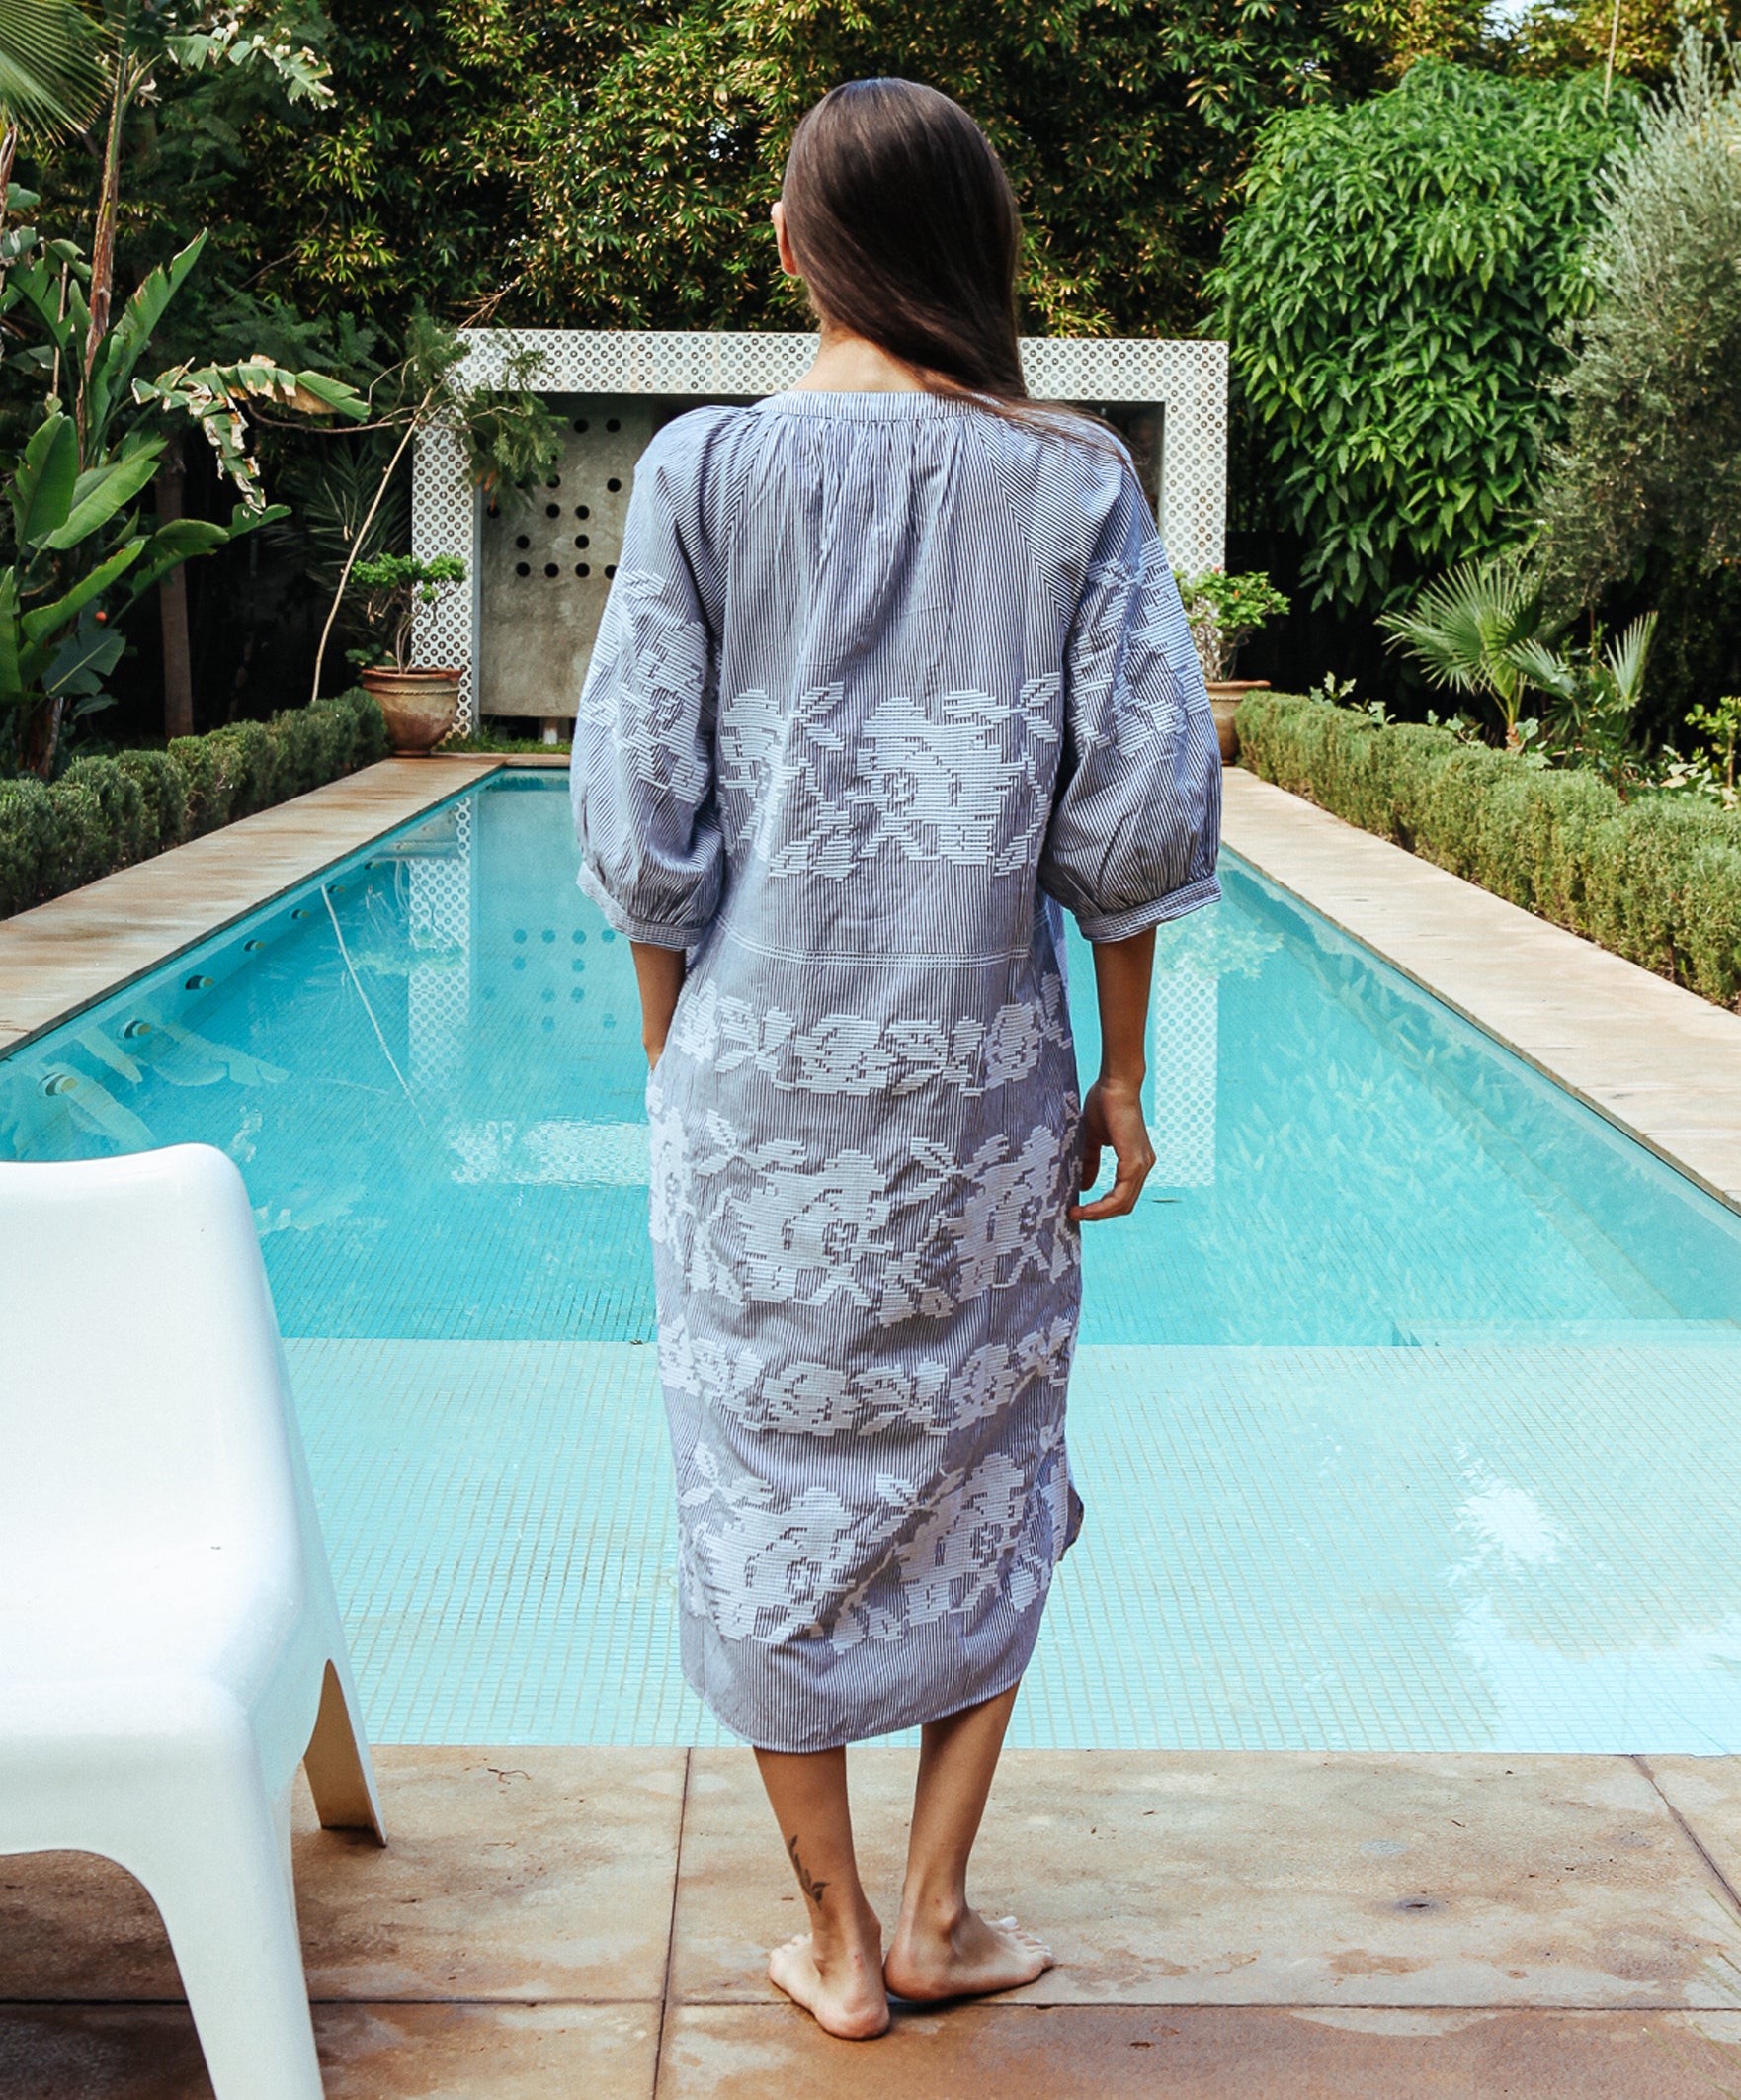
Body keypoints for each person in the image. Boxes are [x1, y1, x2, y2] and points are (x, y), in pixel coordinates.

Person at [571, 76, 1221, 2040]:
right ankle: (938, 1908)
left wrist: (686, 1076)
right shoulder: (1073, 484)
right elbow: (1132, 817)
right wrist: (1119, 1075)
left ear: (792, 251)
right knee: (985, 1464)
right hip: (980, 1096)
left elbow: (638, 820)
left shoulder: (694, 474)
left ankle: (837, 1936)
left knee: (759, 1481)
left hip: (748, 1103)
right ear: (974, 259)